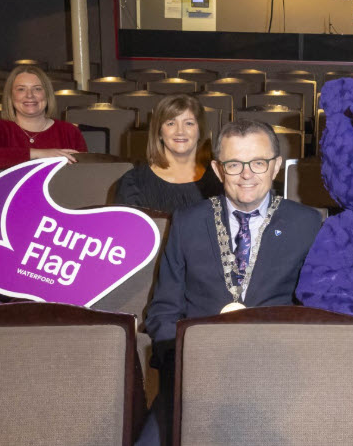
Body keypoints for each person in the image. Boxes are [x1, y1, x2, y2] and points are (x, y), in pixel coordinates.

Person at [139, 119, 321, 446]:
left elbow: (316, 312)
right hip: (196, 375)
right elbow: (163, 310)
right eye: (234, 164)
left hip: (276, 375)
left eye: (258, 162)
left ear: (276, 166)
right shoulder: (188, 221)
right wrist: (182, 361)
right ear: (218, 169)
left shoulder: (307, 223)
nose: (246, 174)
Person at [114, 94, 221, 212]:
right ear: (159, 132)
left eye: (189, 123)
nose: (180, 131)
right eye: (171, 123)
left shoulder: (220, 180)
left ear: (200, 131)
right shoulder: (134, 183)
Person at [0, 65, 87, 171]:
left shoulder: (69, 132)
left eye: (37, 89)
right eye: (21, 89)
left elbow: (84, 173)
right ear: (10, 96)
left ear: (47, 95)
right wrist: (37, 154)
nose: (29, 95)